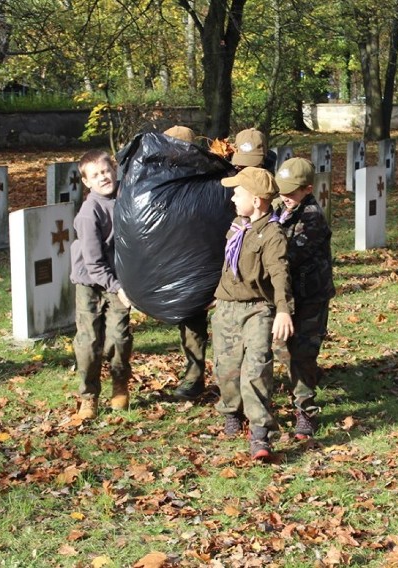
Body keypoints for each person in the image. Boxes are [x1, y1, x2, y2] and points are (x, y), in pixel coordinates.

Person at [213, 167, 294, 460]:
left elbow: (279, 273)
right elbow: (229, 266)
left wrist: (283, 310)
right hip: (226, 309)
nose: (233, 197)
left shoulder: (272, 234)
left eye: (238, 192)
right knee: (225, 366)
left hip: (257, 309)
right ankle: (232, 411)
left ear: (258, 200)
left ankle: (260, 434)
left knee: (256, 368)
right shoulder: (238, 225)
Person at [273, 158, 335, 440]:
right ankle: (306, 378)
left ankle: (305, 411)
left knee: (303, 352)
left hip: (311, 295)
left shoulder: (313, 217)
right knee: (281, 350)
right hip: (287, 295)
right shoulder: (279, 208)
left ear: (307, 189)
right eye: (281, 190)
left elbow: (289, 255)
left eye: (291, 192)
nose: (285, 196)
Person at [70, 150, 133, 418]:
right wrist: (118, 288)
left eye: (105, 171)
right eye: (95, 175)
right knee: (89, 342)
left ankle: (119, 385)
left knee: (119, 337)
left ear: (114, 170)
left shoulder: (128, 197)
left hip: (119, 277)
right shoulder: (89, 213)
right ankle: (89, 396)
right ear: (86, 182)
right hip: (91, 282)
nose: (103, 178)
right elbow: (94, 264)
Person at [161, 124, 211, 402]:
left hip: (209, 258)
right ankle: (194, 376)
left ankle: (241, 377)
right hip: (180, 261)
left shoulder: (208, 176)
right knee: (191, 322)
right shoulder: (156, 177)